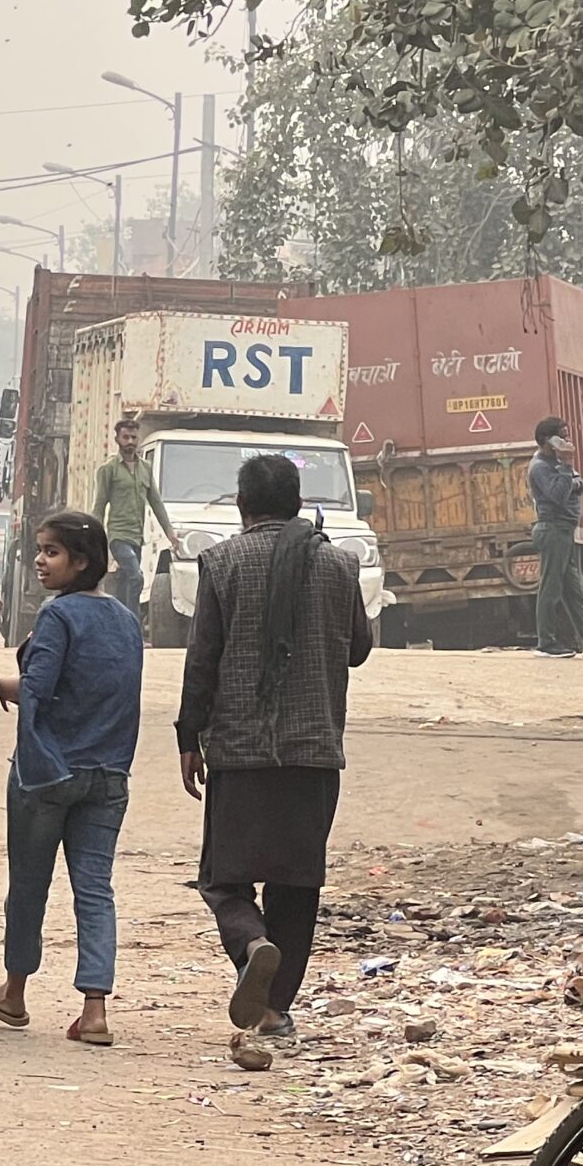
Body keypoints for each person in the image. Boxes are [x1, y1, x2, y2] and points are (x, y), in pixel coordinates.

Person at [178, 451, 373, 1061]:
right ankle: (276, 1010)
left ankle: (250, 943)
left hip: (239, 750)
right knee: (297, 883)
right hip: (314, 752)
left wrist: (189, 736)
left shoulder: (222, 562)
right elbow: (359, 650)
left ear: (242, 506)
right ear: (295, 502)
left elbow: (202, 659)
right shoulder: (339, 566)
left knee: (222, 877)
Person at [0, 510, 140, 1047]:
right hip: (109, 772)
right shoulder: (124, 618)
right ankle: (94, 1010)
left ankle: (14, 993)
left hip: (48, 772)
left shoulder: (57, 614)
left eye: (51, 553)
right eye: (40, 550)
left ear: (81, 562)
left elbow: (37, 687)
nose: (40, 561)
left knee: (29, 885)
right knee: (94, 890)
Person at [528, 416, 583, 657]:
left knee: (573, 592)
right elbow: (558, 494)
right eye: (563, 435)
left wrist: (569, 476)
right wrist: (567, 468)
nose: (568, 440)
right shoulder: (540, 467)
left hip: (565, 530)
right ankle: (546, 642)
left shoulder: (555, 463)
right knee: (551, 588)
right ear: (548, 440)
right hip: (552, 529)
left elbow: (579, 485)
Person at [91, 419, 181, 614]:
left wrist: (170, 533)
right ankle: (133, 623)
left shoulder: (145, 469)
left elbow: (156, 503)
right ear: (117, 439)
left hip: (137, 537)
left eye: (133, 437)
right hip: (118, 535)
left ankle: (118, 622)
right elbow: (99, 506)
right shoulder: (108, 470)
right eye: (126, 437)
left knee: (125, 583)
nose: (130, 441)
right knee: (136, 576)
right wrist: (95, 538)